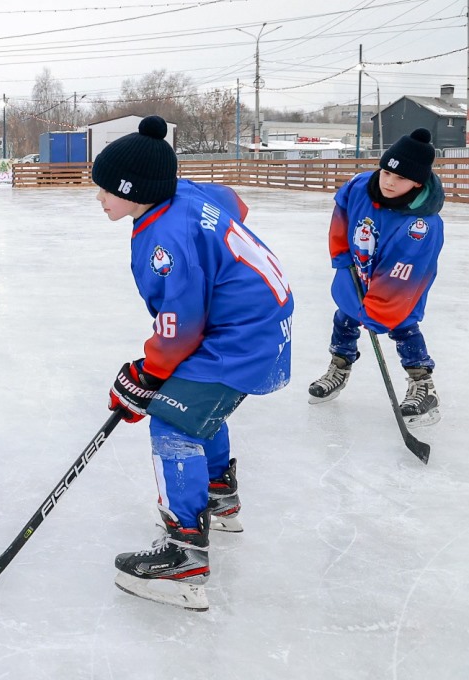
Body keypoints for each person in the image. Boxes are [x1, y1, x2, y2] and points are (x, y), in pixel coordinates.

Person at [91, 116, 294, 611]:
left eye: (107, 190)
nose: (99, 198)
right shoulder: (182, 194)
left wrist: (147, 374)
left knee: (173, 418)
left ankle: (185, 553)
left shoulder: (168, 241)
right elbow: (232, 202)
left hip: (238, 338)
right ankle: (219, 495)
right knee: (199, 406)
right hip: (257, 322)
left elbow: (181, 325)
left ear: (136, 190)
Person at [307, 128, 443, 427]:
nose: (390, 182)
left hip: (400, 284)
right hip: (360, 269)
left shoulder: (421, 225)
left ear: (417, 183)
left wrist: (378, 309)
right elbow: (341, 214)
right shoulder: (360, 187)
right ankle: (339, 367)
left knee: (403, 326)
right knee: (345, 316)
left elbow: (404, 273)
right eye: (386, 173)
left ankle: (423, 383)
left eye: (401, 178)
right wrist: (342, 257)